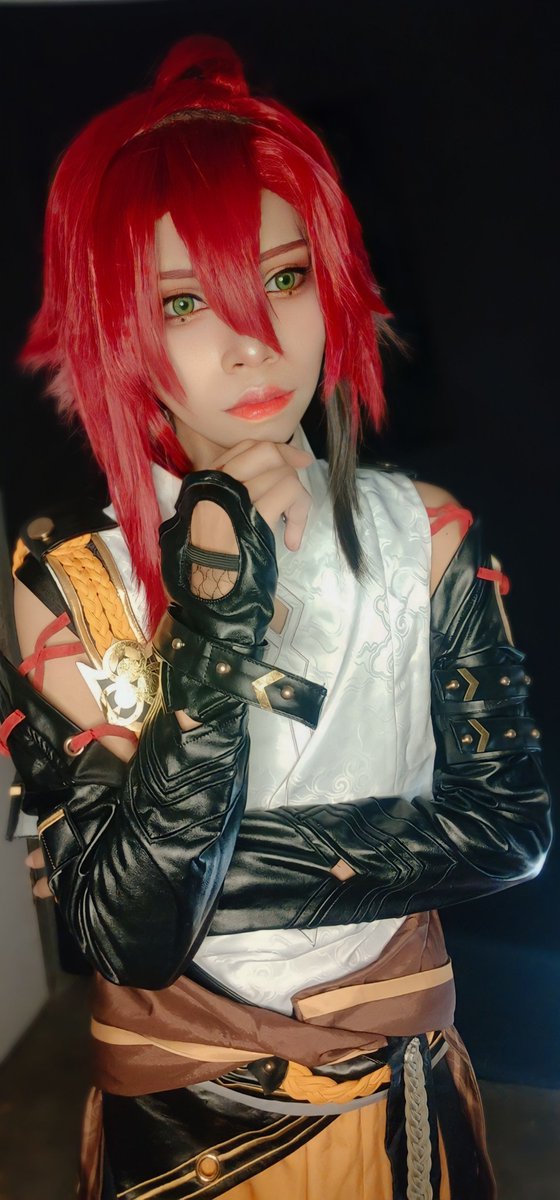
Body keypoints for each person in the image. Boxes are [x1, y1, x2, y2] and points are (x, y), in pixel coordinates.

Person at [0, 35, 552, 1200]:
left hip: (398, 1093)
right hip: (177, 1126)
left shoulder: (426, 536)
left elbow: (508, 831)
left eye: (284, 280)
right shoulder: (76, 575)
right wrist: (212, 619)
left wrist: (163, 867)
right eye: (184, 301)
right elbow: (127, 937)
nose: (251, 340)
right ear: (119, 324)